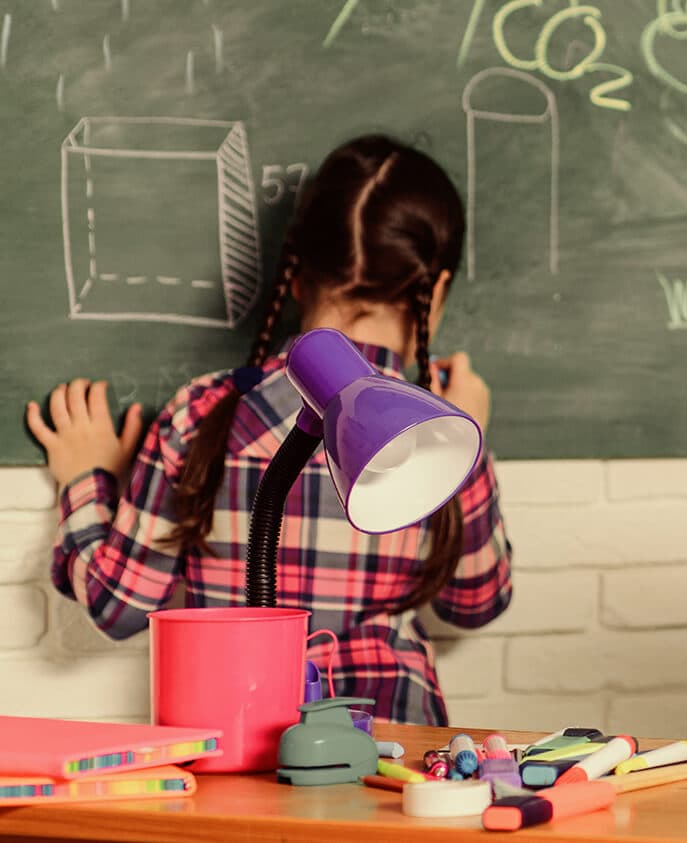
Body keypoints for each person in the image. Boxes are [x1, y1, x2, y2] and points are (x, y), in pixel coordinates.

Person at [28, 135, 514, 726]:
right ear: (433, 293)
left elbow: (118, 606)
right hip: (394, 752)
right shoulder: (438, 429)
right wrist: (472, 437)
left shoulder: (200, 413)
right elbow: (476, 601)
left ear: (298, 277)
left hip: (237, 734)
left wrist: (85, 478)